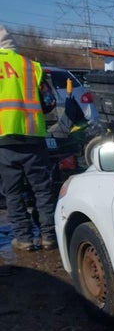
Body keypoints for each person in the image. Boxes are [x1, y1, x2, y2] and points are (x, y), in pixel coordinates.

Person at [0, 25, 58, 252]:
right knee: (42, 190)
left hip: (3, 140)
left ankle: (24, 239)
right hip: (33, 138)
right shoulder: (31, 66)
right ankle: (48, 237)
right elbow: (48, 103)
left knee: (12, 192)